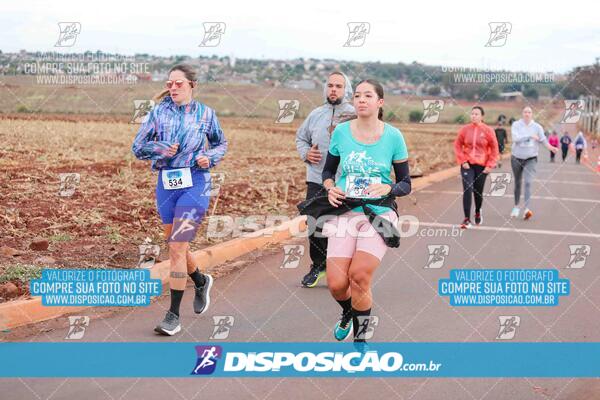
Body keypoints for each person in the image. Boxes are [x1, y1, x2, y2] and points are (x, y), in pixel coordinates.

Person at [300, 79, 410, 345]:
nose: (361, 99)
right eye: (358, 95)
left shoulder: (393, 136)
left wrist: (388, 187)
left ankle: (361, 342)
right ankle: (348, 311)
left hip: (378, 212)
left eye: (368, 95)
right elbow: (328, 172)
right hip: (344, 211)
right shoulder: (341, 133)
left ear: (379, 102)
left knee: (359, 276)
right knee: (337, 284)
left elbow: (406, 184)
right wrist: (329, 187)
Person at [132, 64, 228, 335]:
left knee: (176, 247)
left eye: (179, 84)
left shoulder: (206, 114)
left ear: (191, 86)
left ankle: (173, 316)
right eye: (170, 83)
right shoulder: (157, 113)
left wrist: (209, 157)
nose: (173, 87)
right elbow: (137, 147)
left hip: (196, 183)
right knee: (175, 244)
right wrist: (160, 148)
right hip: (166, 183)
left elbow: (221, 143)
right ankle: (200, 280)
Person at [295, 72, 355, 288]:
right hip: (316, 178)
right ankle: (319, 264)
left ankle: (344, 267)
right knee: (314, 222)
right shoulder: (315, 114)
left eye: (339, 86)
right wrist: (306, 154)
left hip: (345, 181)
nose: (333, 90)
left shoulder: (354, 115)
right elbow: (301, 138)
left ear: (346, 90)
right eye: (330, 85)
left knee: (344, 225)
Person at [453, 106, 499, 229]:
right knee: (467, 188)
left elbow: (495, 149)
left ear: (482, 116)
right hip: (467, 165)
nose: (473, 116)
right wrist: (463, 161)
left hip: (482, 165)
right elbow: (457, 145)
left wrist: (490, 165)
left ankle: (478, 211)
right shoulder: (465, 130)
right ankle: (466, 219)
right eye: (472, 114)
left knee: (478, 192)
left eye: (476, 114)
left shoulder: (488, 130)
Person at [509, 106, 557, 220]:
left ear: (532, 114)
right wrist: (529, 136)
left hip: (531, 158)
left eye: (529, 112)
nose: (527, 114)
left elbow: (543, 139)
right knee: (517, 183)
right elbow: (515, 139)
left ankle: (526, 209)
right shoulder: (516, 125)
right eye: (525, 112)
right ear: (522, 114)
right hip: (516, 157)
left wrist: (551, 147)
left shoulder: (537, 127)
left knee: (528, 183)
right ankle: (516, 207)